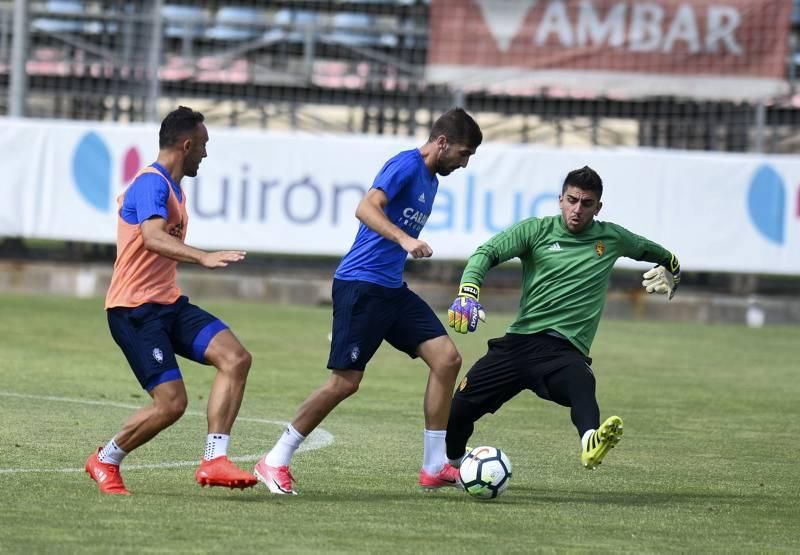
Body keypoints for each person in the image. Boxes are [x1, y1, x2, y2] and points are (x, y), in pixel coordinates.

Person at [254, 108, 483, 495]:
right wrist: (405, 240)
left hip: (391, 288)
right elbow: (365, 207)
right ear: (442, 142)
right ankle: (275, 459)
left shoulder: (432, 180)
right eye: (463, 154)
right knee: (345, 383)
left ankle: (434, 465)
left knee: (447, 359)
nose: (464, 164)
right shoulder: (406, 165)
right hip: (360, 285)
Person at [446, 166, 681, 471]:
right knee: (457, 412)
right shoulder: (535, 231)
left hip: (562, 352)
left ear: (598, 207)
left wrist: (673, 269)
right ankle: (454, 462)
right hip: (518, 344)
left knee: (582, 382)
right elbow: (486, 252)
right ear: (560, 199)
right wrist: (468, 292)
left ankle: (590, 441)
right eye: (572, 200)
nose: (577, 210)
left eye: (586, 204)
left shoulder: (611, 238)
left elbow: (652, 250)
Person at [84, 106, 257, 495]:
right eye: (204, 145)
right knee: (171, 404)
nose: (206, 155)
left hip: (167, 303)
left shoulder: (174, 187)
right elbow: (152, 237)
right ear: (186, 144)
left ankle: (215, 460)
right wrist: (203, 256)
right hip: (134, 311)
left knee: (236, 358)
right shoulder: (152, 183)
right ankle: (106, 459)